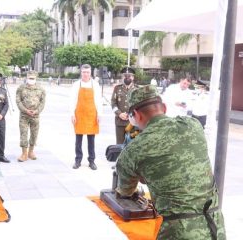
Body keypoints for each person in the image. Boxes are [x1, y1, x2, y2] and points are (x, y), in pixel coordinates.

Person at [116, 85, 226, 239]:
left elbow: (125, 191)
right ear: (164, 108)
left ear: (136, 115)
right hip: (215, 226)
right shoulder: (193, 125)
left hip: (180, 232)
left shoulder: (133, 150)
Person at [70, 64, 102, 170]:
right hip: (79, 114)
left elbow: (98, 101)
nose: (86, 74)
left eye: (88, 72)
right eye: (84, 72)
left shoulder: (95, 85)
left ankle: (91, 160)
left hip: (92, 114)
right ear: (81, 72)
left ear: (90, 72)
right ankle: (78, 160)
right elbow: (72, 100)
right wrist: (72, 114)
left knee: (91, 139)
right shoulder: (76, 84)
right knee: (78, 139)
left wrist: (99, 114)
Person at [16, 70, 46, 162]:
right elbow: (18, 101)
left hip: (35, 116)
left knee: (34, 134)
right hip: (24, 116)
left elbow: (42, 102)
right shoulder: (21, 88)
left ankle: (31, 152)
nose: (31, 80)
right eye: (29, 78)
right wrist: (25, 110)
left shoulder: (41, 89)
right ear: (27, 78)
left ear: (36, 78)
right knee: (23, 134)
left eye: (33, 78)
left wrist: (36, 111)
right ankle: (24, 153)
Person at [111, 67, 137, 144]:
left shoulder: (137, 89)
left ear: (133, 77)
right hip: (120, 122)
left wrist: (131, 115)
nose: (127, 77)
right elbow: (113, 103)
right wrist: (119, 113)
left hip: (133, 122)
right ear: (122, 77)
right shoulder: (117, 88)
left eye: (129, 76)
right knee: (120, 145)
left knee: (132, 145)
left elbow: (140, 105)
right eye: (125, 76)